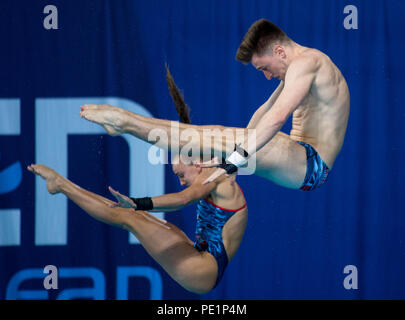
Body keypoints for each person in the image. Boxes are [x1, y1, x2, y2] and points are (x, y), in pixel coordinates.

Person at [27, 71, 248, 294]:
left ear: (197, 164)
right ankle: (61, 184)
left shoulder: (218, 177)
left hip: (203, 268)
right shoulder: (218, 169)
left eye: (181, 174)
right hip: (201, 257)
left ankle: (61, 184)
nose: (181, 182)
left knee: (130, 215)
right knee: (135, 216)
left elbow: (184, 199)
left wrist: (138, 202)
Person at [80, 18, 349, 191]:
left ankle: (126, 122)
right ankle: (126, 125)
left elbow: (278, 116)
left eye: (264, 68)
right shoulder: (299, 67)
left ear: (279, 51)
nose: (267, 76)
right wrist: (236, 151)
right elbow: (265, 111)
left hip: (311, 164)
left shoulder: (307, 63)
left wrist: (238, 156)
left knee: (215, 138)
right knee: (216, 138)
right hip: (298, 157)